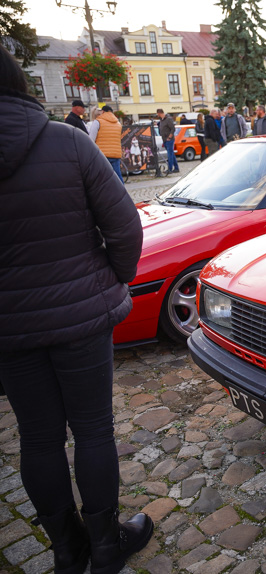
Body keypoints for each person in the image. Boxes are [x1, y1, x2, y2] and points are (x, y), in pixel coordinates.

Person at [0, 44, 151, 574]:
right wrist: (114, 278)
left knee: (37, 436)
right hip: (80, 317)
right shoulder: (67, 142)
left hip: (10, 329)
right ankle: (105, 548)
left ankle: (68, 551)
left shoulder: (68, 140)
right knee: (92, 430)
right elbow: (125, 226)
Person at [88, 105, 124, 182]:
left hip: (101, 154)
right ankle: (121, 192)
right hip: (115, 154)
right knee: (117, 176)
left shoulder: (97, 122)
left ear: (103, 112)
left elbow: (91, 139)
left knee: (102, 177)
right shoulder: (118, 124)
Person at [156, 108, 179, 174]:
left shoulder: (168, 119)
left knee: (169, 154)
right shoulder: (161, 120)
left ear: (160, 113)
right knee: (171, 154)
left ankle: (170, 169)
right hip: (164, 139)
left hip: (169, 139)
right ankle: (176, 168)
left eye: (158, 114)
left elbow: (173, 128)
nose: (158, 116)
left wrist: (170, 136)